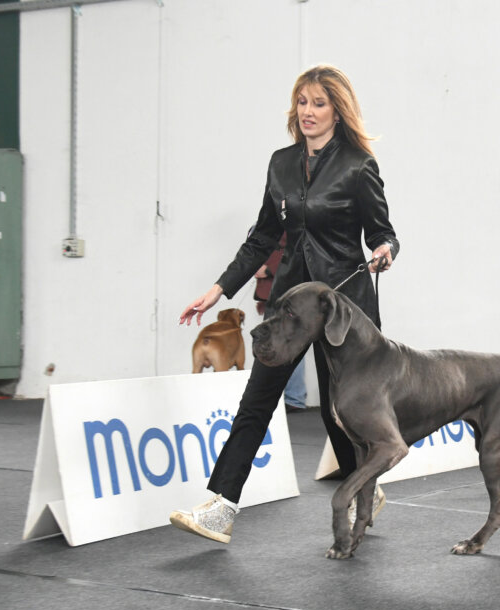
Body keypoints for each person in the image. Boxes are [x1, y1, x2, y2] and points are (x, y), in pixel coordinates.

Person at [170, 65, 398, 544]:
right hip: (290, 308)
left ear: (337, 109)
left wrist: (384, 251)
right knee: (257, 400)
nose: (308, 112)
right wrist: (217, 290)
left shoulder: (358, 165)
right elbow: (262, 237)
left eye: (318, 103)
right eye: (302, 102)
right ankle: (220, 509)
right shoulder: (280, 163)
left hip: (341, 308)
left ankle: (364, 485)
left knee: (337, 410)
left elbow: (382, 231)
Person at [253, 232, 306, 412]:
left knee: (289, 344)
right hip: (275, 293)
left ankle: (294, 397)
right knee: (286, 343)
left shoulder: (287, 222)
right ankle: (293, 397)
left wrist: (267, 270)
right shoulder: (273, 222)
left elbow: (295, 250)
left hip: (284, 292)